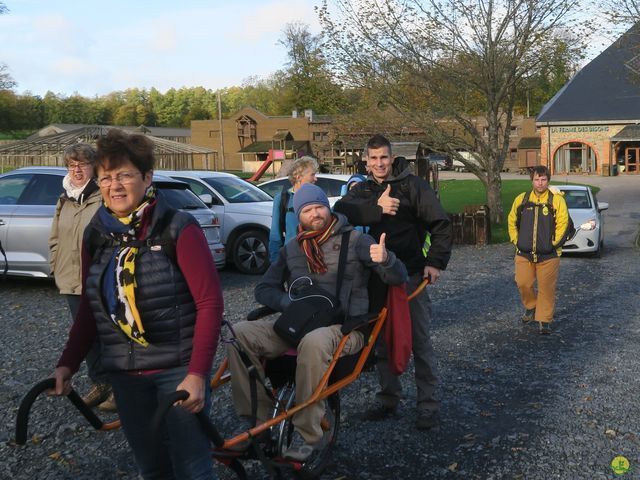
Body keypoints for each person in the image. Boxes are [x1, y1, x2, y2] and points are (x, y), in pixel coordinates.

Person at [50, 129, 224, 480]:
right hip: (125, 374)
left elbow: (210, 303)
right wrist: (68, 362)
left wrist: (197, 374)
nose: (115, 185)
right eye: (106, 177)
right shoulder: (97, 234)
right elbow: (89, 305)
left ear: (147, 177)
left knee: (192, 466)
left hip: (175, 370)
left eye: (125, 175)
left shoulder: (177, 227)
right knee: (150, 466)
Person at [227, 183, 407, 461]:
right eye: (307, 210)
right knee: (239, 333)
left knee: (314, 341)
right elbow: (263, 289)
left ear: (328, 207)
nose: (315, 214)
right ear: (298, 215)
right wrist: (290, 304)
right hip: (299, 323)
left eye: (319, 207)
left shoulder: (357, 242)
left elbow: (398, 278)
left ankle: (310, 434)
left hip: (347, 329)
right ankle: (256, 423)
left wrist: (386, 260)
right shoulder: (292, 249)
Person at [334, 134, 452, 430]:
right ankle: (388, 399)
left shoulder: (413, 186)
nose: (379, 164)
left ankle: (428, 404)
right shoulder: (362, 189)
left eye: (383, 157)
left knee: (419, 340)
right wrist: (377, 207)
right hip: (374, 278)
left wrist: (435, 262)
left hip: (409, 275)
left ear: (392, 157)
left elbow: (441, 223)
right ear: (366, 160)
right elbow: (341, 212)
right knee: (381, 341)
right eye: (373, 159)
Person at [49, 144, 115, 411]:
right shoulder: (65, 198)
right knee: (83, 336)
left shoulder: (103, 198)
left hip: (99, 280)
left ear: (94, 168)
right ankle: (100, 382)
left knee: (110, 334)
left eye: (82, 165)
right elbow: (55, 237)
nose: (76, 170)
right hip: (70, 279)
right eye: (71, 165)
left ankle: (120, 388)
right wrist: (56, 263)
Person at [507, 165, 569, 335]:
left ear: (548, 180)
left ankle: (544, 319)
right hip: (524, 253)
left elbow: (563, 224)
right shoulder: (522, 199)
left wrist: (552, 244)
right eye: (537, 179)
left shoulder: (557, 200)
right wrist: (516, 241)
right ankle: (531, 306)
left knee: (546, 288)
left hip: (549, 254)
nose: (540, 183)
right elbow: (512, 220)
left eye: (543, 179)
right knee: (523, 283)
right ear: (532, 180)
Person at [268, 156, 318, 263]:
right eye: (312, 175)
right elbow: (275, 236)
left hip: (316, 259)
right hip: (292, 259)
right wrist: (275, 264)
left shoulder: (317, 197)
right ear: (298, 176)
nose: (316, 178)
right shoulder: (282, 199)